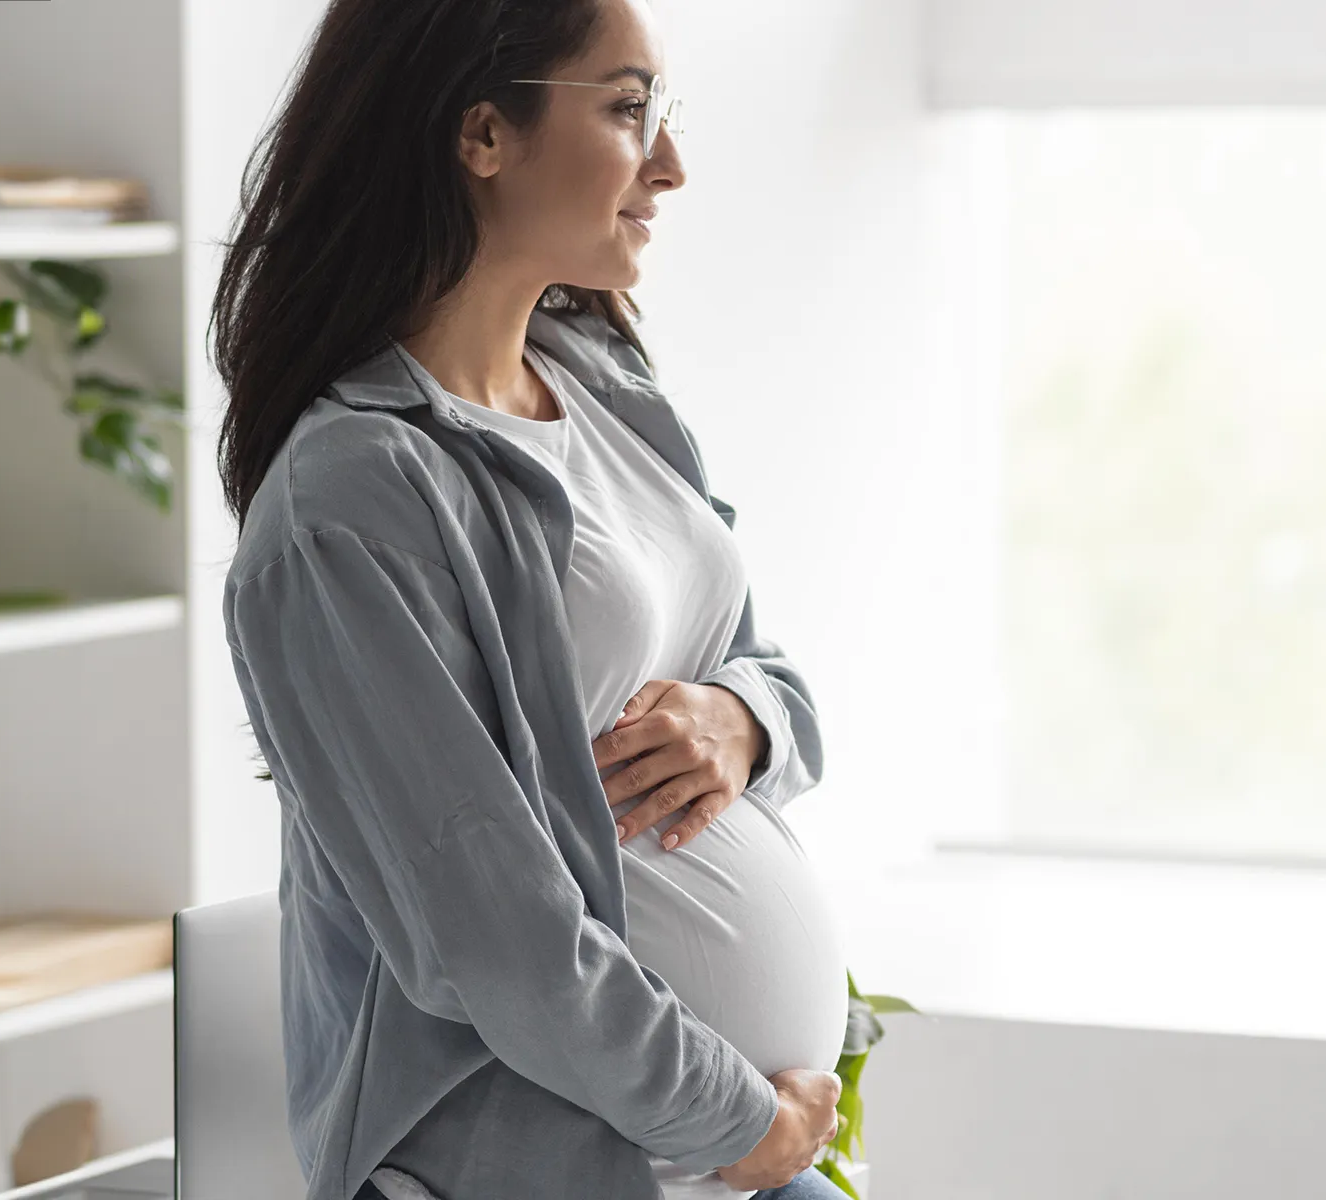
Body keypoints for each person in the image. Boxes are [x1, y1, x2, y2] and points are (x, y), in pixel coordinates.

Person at [212, 1, 852, 1197]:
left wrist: (741, 719)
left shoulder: (602, 381)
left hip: (721, 1155)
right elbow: (497, 944)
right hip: (555, 1168)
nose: (669, 163)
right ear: (481, 135)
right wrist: (732, 1120)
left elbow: (779, 684)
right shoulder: (348, 504)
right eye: (626, 107)